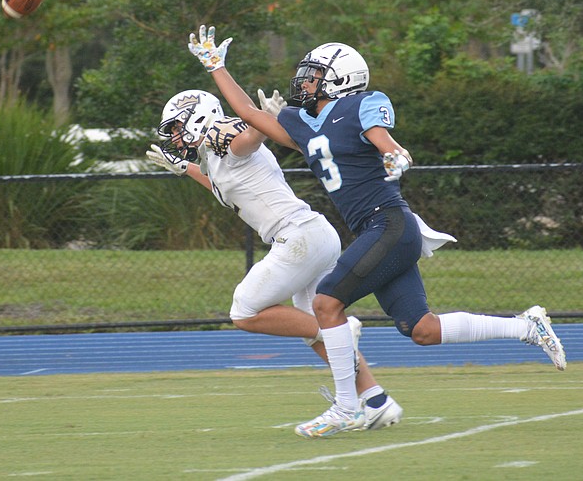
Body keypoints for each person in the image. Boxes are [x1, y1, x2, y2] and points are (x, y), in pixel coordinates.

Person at [187, 25, 567, 439]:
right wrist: (216, 67)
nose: (304, 80)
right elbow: (247, 112)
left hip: (388, 223)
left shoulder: (361, 105)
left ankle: (349, 407)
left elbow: (385, 141)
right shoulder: (303, 122)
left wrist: (394, 157)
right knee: (422, 329)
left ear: (339, 80)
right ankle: (528, 327)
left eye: (313, 74)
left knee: (327, 302)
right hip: (377, 229)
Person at [145, 88, 403, 433]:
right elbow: (227, 190)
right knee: (314, 333)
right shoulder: (215, 157)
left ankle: (340, 332)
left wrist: (263, 121)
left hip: (299, 237)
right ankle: (375, 400)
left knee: (245, 310)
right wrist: (188, 169)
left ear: (199, 117)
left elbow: (248, 139)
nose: (175, 136)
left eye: (177, 127)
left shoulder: (230, 140)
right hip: (313, 235)